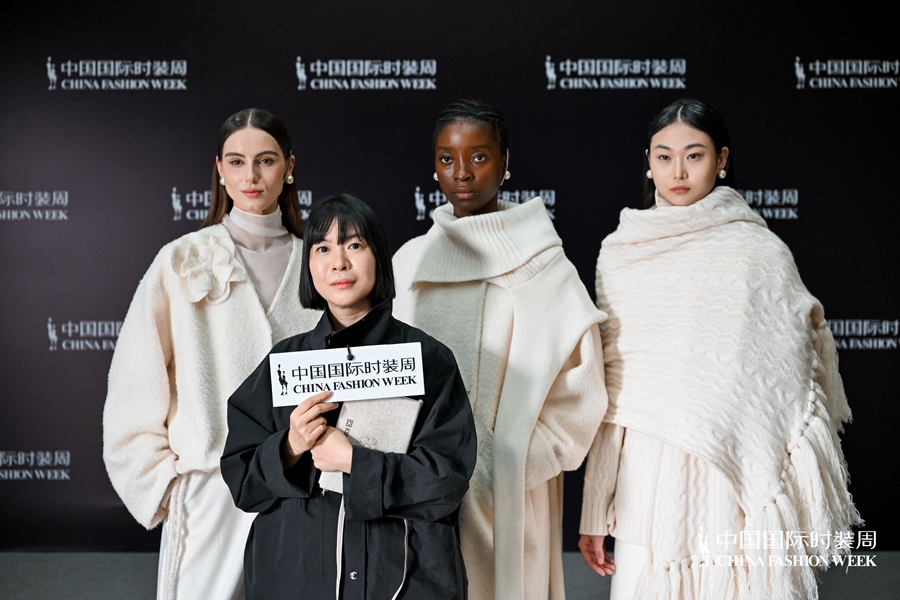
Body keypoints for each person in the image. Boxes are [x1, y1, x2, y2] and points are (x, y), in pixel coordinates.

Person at [578, 98, 860, 600]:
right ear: (648, 161)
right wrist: (595, 511)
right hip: (646, 476)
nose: (678, 171)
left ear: (722, 159)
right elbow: (615, 392)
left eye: (695, 155)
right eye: (664, 157)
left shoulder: (761, 252)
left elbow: (784, 373)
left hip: (732, 471)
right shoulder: (621, 252)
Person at [392, 99, 608, 600]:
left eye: (479, 156)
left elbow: (581, 391)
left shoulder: (546, 267)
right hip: (417, 494)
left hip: (510, 499)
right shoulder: (408, 264)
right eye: (447, 158)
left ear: (506, 162)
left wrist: (506, 463)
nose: (462, 173)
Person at [103, 108, 320, 600]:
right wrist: (162, 483)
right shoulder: (182, 259)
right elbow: (136, 380)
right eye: (236, 161)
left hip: (304, 485)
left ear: (289, 167)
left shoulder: (320, 262)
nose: (251, 175)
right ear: (219, 169)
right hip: (211, 490)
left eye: (266, 160)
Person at [220, 194, 477, 600]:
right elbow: (243, 484)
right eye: (322, 249)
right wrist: (290, 446)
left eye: (354, 245)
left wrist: (355, 462)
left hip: (405, 579)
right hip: (296, 580)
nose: (338, 262)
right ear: (309, 266)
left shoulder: (428, 361)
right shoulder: (285, 364)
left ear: (379, 257)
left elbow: (447, 481)